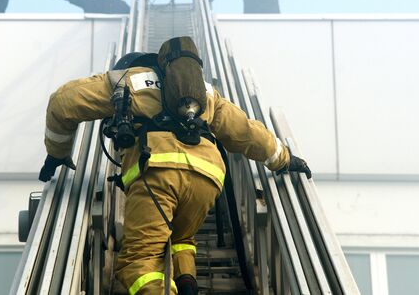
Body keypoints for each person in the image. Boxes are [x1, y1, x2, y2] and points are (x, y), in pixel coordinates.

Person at [38, 37, 311, 295]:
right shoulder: (204, 92)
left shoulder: (127, 80)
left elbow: (63, 102)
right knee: (182, 238)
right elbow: (247, 132)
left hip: (157, 172)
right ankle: (188, 285)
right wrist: (285, 158)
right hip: (207, 178)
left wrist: (57, 153)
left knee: (139, 263)